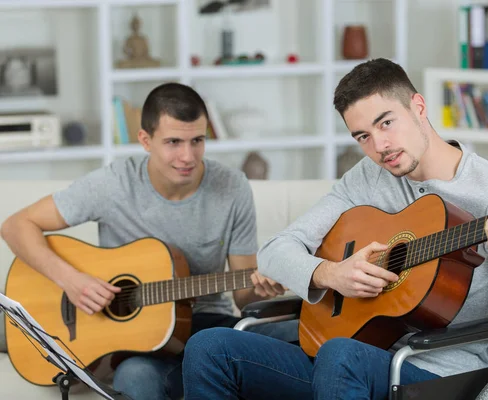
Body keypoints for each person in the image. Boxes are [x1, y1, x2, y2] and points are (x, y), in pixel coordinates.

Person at [181, 58, 488, 399]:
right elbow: (275, 250)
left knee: (340, 355)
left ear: (418, 106)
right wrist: (331, 274)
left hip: (436, 375)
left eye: (386, 123)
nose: (379, 146)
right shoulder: (368, 178)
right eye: (363, 135)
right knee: (209, 345)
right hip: (347, 361)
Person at [0, 82, 294, 400]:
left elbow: (243, 299)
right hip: (139, 345)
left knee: (293, 335)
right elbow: (16, 225)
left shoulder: (232, 187)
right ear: (145, 140)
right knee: (136, 378)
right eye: (173, 142)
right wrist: (72, 281)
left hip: (208, 325)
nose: (188, 156)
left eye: (197, 140)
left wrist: (263, 285)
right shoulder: (113, 183)